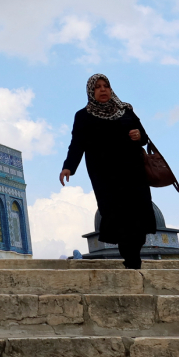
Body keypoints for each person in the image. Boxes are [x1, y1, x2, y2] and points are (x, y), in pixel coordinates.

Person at [59, 74, 156, 270]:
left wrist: (138, 136)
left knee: (137, 213)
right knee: (116, 215)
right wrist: (69, 165)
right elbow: (77, 143)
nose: (103, 90)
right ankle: (130, 259)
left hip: (133, 171)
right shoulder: (84, 116)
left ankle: (133, 259)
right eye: (98, 87)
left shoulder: (125, 111)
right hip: (105, 175)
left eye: (106, 86)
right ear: (91, 92)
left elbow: (144, 137)